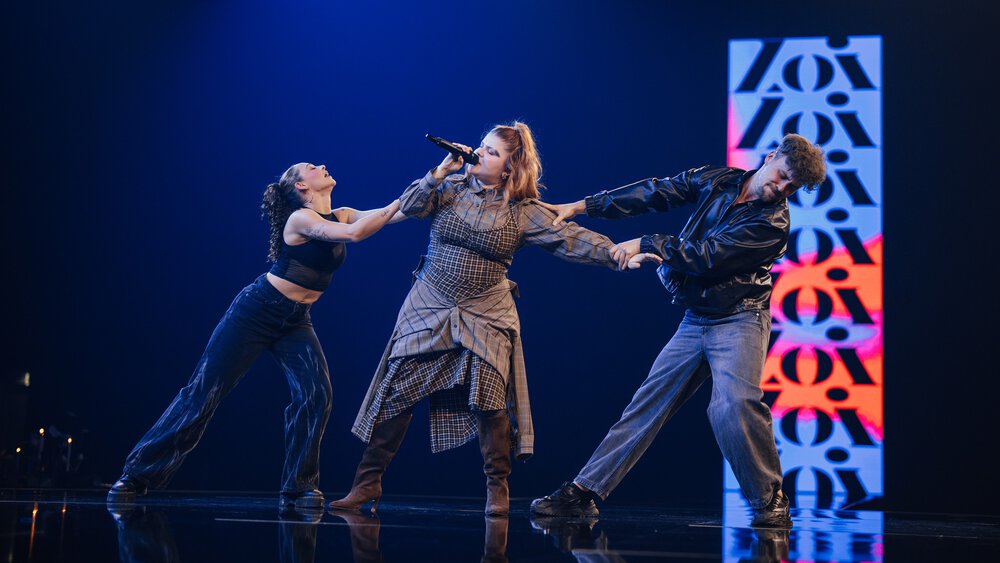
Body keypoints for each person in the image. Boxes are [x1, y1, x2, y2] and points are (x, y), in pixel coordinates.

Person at [529, 133, 826, 528]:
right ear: (771, 156)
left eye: (792, 187)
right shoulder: (719, 180)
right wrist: (585, 206)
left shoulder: (772, 226)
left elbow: (707, 259)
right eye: (782, 175)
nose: (782, 188)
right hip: (696, 317)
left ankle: (769, 500)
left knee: (732, 406)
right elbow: (657, 191)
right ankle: (584, 493)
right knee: (646, 403)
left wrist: (647, 242)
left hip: (739, 318)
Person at [329, 122, 625, 517]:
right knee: (399, 386)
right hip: (431, 299)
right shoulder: (447, 190)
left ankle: (496, 487)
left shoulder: (524, 212)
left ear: (509, 167)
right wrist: (438, 172)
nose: (479, 154)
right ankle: (368, 483)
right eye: (480, 147)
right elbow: (410, 205)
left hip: (486, 307)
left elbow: (570, 238)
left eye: (491, 151)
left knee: (489, 394)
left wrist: (618, 252)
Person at [106, 162, 402, 511]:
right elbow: (356, 234)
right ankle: (136, 475)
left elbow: (389, 213)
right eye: (311, 167)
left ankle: (298, 486)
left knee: (316, 394)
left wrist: (437, 177)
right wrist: (425, 185)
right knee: (204, 392)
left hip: (295, 320)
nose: (321, 166)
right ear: (301, 187)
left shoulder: (343, 213)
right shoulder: (301, 220)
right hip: (257, 311)